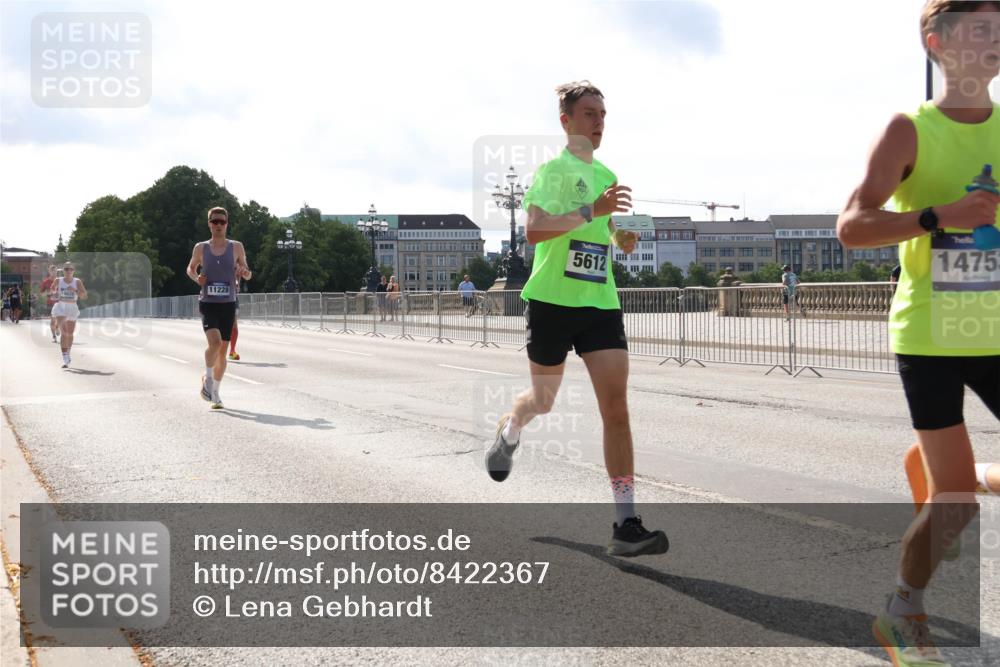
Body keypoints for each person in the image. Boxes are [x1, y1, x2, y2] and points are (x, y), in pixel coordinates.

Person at [836, 2, 1000, 664]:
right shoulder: (909, 130)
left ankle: (962, 470)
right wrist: (940, 214)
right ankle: (903, 610)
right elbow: (851, 226)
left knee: (956, 486)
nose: (997, 37)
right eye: (981, 27)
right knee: (956, 507)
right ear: (937, 41)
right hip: (930, 335)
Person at [485, 80, 668, 558]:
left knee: (617, 407)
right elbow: (536, 231)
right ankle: (510, 428)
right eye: (589, 113)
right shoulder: (553, 170)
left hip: (599, 303)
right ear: (566, 121)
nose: (599, 121)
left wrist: (624, 237)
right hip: (550, 302)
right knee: (543, 401)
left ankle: (626, 523)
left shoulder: (608, 172)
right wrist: (594, 209)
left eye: (603, 114)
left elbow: (610, 235)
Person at [186, 207, 252, 409]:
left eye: (222, 222)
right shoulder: (200, 248)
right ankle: (207, 379)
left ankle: (215, 392)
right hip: (208, 303)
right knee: (214, 343)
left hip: (228, 304)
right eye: (214, 221)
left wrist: (244, 271)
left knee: (222, 353)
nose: (218, 225)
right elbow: (190, 268)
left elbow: (248, 274)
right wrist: (197, 278)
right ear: (209, 223)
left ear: (227, 224)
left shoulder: (236, 247)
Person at [51, 263, 86, 367]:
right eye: (66, 269)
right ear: (63, 270)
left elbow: (84, 295)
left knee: (70, 334)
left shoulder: (77, 281)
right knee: (64, 332)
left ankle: (68, 352)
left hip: (72, 307)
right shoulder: (58, 280)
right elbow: (52, 289)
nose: (68, 271)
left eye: (70, 269)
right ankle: (65, 356)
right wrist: (54, 292)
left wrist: (75, 290)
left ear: (73, 270)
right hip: (61, 307)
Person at [39, 265, 60, 341]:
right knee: (53, 320)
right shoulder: (46, 282)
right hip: (50, 303)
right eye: (52, 271)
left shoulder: (61, 280)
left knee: (59, 319)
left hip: (60, 303)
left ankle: (57, 327)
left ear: (57, 271)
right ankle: (54, 336)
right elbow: (41, 293)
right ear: (49, 272)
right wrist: (49, 293)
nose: (54, 272)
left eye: (55, 271)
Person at [229, 277, 242, 361]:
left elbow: (237, 289)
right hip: (218, 300)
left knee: (234, 327)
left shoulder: (237, 268)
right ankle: (217, 350)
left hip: (233, 301)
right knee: (220, 327)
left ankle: (232, 351)